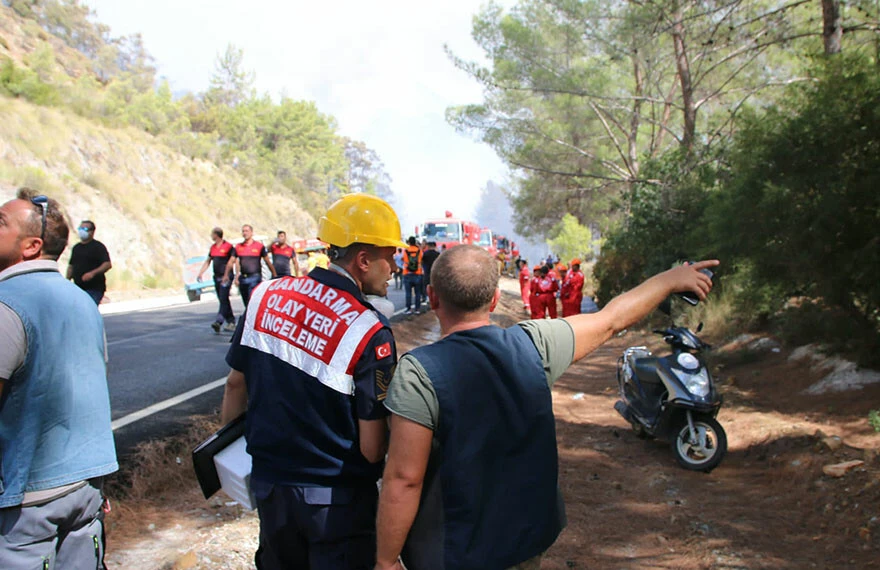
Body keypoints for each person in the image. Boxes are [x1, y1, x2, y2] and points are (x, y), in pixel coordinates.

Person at [374, 246, 717, 570]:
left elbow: (404, 478)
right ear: (494, 299)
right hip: (525, 541)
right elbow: (612, 318)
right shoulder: (534, 345)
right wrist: (671, 280)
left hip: (456, 549)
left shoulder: (419, 372)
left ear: (432, 297)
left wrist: (387, 560)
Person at [220, 193, 406, 570]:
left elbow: (235, 385)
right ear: (364, 260)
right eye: (390, 256)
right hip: (338, 505)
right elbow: (372, 449)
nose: (395, 267)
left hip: (270, 488)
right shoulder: (370, 331)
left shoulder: (265, 295)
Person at [0, 189, 118, 568]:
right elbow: (93, 384)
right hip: (85, 487)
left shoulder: (7, 305)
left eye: (0, 223)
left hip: (25, 502)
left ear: (31, 245)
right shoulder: (81, 301)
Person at [224, 224, 276, 308]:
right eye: (243, 231)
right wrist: (226, 275)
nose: (245, 233)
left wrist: (274, 274)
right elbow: (231, 262)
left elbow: (267, 261)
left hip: (255, 277)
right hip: (243, 278)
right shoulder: (238, 247)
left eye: (247, 231)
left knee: (252, 299)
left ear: (252, 233)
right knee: (246, 303)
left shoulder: (259, 246)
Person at [197, 227, 237, 333]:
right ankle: (231, 321)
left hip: (226, 277)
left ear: (217, 235)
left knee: (223, 298)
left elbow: (232, 261)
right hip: (217, 276)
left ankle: (218, 322)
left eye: (212, 234)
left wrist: (226, 275)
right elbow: (208, 261)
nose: (211, 236)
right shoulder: (213, 247)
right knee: (222, 299)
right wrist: (201, 272)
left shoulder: (228, 247)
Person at [67, 218, 112, 304]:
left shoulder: (98, 247)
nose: (81, 231)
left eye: (85, 229)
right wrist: (67, 280)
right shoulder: (76, 248)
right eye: (80, 229)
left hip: (94, 288)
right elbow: (71, 265)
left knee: (89, 307)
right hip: (79, 287)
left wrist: (92, 273)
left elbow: (107, 264)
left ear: (92, 231)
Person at [402, 236, 423, 314]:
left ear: (409, 242)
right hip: (418, 273)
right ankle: (417, 309)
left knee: (408, 293)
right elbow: (421, 260)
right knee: (418, 293)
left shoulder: (406, 251)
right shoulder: (419, 251)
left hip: (407, 273)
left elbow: (405, 261)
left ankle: (408, 309)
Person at [420, 241, 440, 306]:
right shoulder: (438, 254)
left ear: (428, 246)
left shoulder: (425, 254)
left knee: (426, 285)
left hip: (427, 272)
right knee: (435, 285)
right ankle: (435, 298)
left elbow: (421, 262)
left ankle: (427, 298)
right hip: (436, 272)